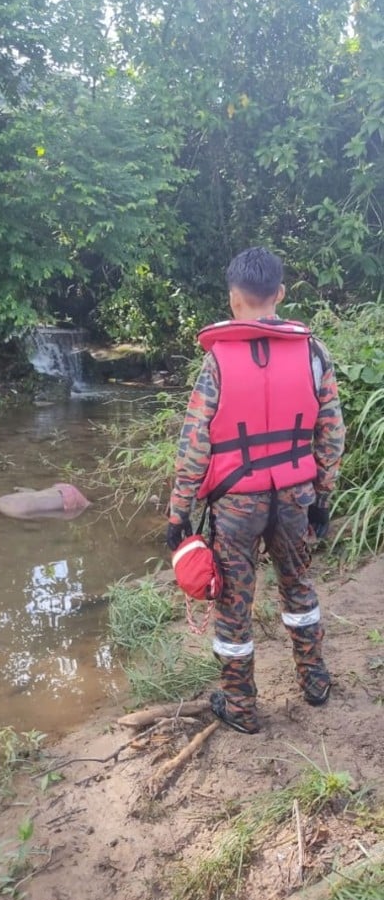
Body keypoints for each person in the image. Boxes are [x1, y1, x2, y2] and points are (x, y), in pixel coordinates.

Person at [166, 247, 345, 734]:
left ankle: (241, 708)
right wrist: (322, 498)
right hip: (294, 497)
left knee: (232, 605)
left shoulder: (217, 362)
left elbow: (194, 444)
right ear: (281, 294)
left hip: (236, 504)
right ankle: (315, 682)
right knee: (299, 587)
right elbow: (332, 432)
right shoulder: (312, 352)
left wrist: (178, 516)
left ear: (232, 300)